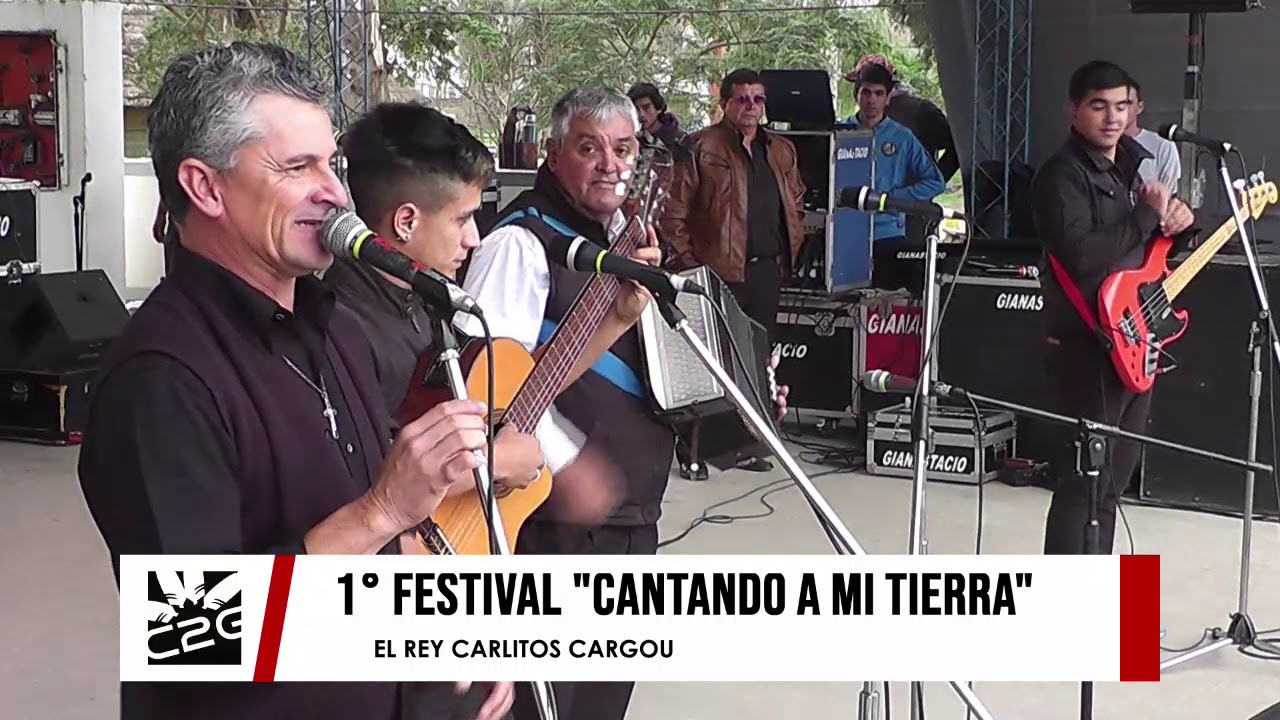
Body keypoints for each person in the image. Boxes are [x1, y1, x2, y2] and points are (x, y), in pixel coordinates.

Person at [75, 41, 513, 720]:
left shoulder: (332, 324)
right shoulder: (159, 381)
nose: (336, 192)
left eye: (331, 163)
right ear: (204, 187)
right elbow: (195, 635)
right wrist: (381, 510)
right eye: (297, 166)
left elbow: (384, 547)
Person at [459, 85, 667, 720]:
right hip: (553, 528)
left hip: (629, 523)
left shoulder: (625, 237)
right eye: (589, 147)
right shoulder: (517, 244)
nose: (610, 163)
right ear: (553, 156)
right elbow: (486, 388)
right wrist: (568, 461)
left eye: (623, 148)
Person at [1031, 60, 1196, 555]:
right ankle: (1063, 611)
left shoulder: (1134, 164)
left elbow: (1146, 253)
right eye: (1099, 106)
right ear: (1073, 111)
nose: (1113, 118)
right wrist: (1147, 215)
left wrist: (1183, 224)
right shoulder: (1059, 176)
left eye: (1122, 106)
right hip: (1086, 346)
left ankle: (1100, 612)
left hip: (1134, 338)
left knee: (1112, 488)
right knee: (1083, 485)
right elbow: (1080, 256)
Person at [660, 68, 805, 479]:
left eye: (758, 99)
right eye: (742, 99)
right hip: (714, 272)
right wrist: (690, 266)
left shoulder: (779, 149)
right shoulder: (700, 146)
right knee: (707, 365)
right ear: (724, 103)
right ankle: (692, 451)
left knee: (758, 364)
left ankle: (747, 443)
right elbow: (673, 212)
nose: (751, 107)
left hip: (764, 270)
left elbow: (794, 200)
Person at [841, 61, 946, 295]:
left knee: (887, 303)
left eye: (879, 94)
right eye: (866, 92)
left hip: (887, 234)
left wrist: (894, 199)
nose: (871, 100)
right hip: (845, 234)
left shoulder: (902, 137)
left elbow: (935, 181)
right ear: (856, 94)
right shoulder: (839, 133)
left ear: (888, 99)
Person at [1125, 78, 1182, 197]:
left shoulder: (1163, 146)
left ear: (1139, 107)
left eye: (1127, 103)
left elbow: (1168, 197)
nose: (1121, 110)